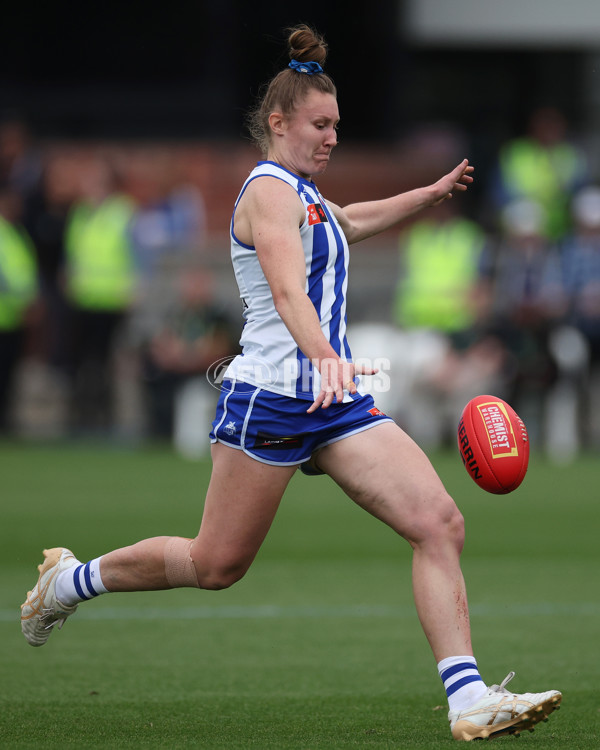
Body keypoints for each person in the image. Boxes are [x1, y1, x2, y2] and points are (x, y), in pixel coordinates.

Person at [21, 25, 561, 741]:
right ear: (279, 123)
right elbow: (286, 291)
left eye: (338, 124)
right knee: (216, 565)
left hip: (335, 405)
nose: (333, 136)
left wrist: (426, 195)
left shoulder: (307, 196)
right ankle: (68, 581)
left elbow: (350, 221)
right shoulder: (269, 193)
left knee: (439, 523)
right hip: (272, 397)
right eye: (320, 124)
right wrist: (324, 357)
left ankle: (468, 701)